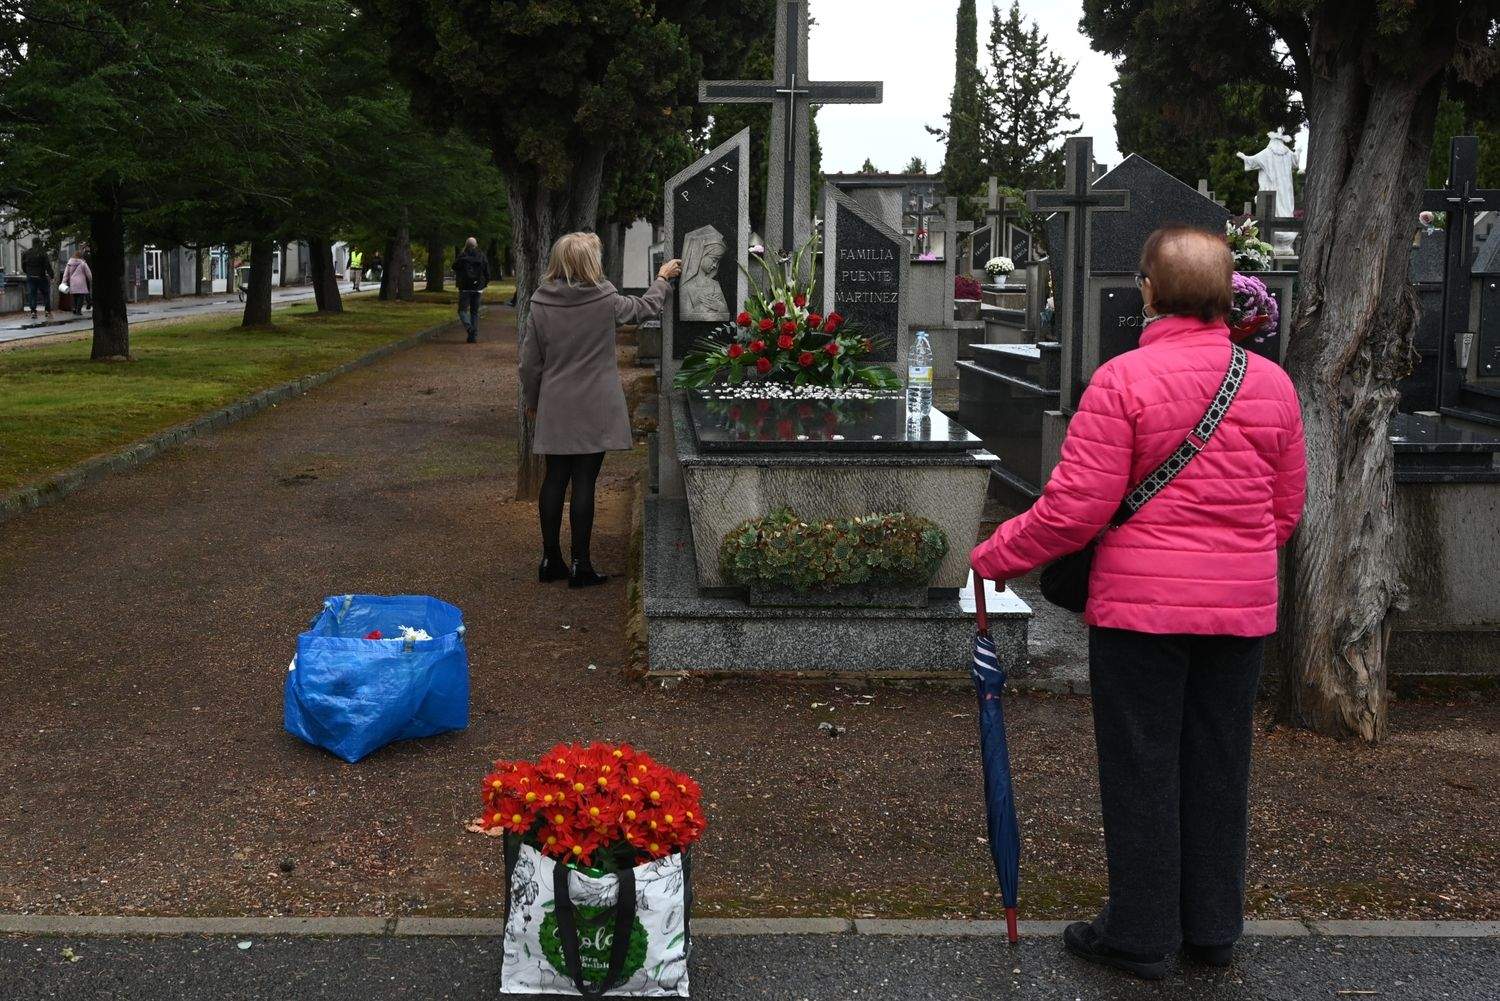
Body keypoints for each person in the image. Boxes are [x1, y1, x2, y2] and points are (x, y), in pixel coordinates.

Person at [970, 227, 1306, 980]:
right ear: (1227, 295)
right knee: (1220, 765)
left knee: (1141, 765)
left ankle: (1143, 931)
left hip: (1140, 614)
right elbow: (1285, 513)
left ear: (1148, 292)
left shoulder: (1123, 382)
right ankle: (1212, 927)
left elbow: (1072, 512)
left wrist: (995, 555)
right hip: (1239, 612)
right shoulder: (1274, 386)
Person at [519, 232, 682, 587]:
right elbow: (644, 309)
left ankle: (550, 559)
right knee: (584, 482)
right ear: (590, 262)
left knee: (554, 478)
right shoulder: (605, 298)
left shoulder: (540, 302)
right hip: (595, 402)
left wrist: (532, 402)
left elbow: (529, 364)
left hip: (556, 402)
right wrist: (662, 279)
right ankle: (582, 565)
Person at [454, 237, 490, 343]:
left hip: (465, 288)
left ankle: (469, 328)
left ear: (466, 245)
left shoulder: (462, 256)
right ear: (476, 245)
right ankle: (473, 336)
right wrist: (484, 283)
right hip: (477, 288)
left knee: (462, 311)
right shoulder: (481, 256)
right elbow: (487, 271)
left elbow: (454, 267)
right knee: (474, 312)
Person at [21, 239, 54, 319]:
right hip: (41, 276)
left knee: (32, 294)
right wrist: (51, 275)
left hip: (31, 276)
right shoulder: (42, 253)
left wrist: (28, 272)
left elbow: (23, 266)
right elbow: (47, 265)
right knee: (46, 293)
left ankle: (33, 311)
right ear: (40, 243)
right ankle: (47, 311)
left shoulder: (26, 253)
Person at [61, 248, 92, 316]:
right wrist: (91, 280)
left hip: (73, 283)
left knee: (75, 296)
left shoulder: (69, 263)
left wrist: (64, 282)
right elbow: (88, 273)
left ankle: (75, 308)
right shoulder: (83, 263)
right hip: (81, 283)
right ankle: (78, 310)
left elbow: (66, 273)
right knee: (81, 297)